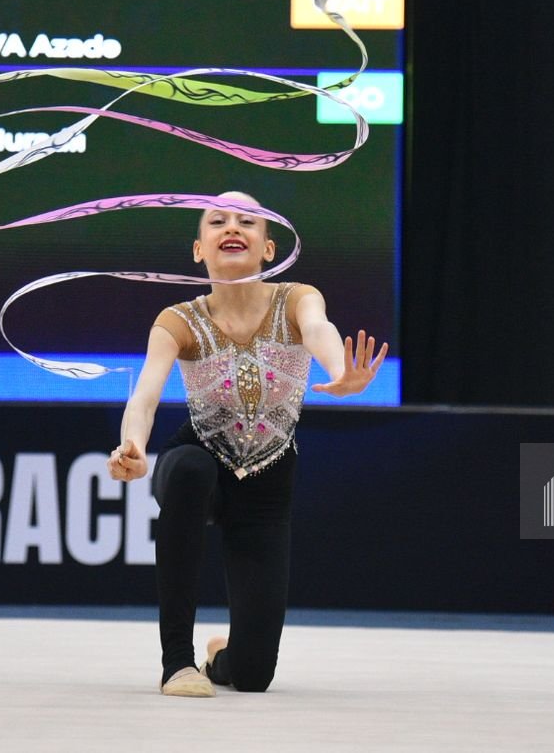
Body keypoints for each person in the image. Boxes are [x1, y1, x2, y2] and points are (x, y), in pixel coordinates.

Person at [107, 191, 387, 696]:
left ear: (269, 248)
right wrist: (131, 446)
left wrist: (342, 372)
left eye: (247, 222)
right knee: (191, 470)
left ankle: (221, 657)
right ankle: (177, 663)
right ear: (199, 249)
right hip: (195, 459)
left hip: (267, 482)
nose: (232, 227)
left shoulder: (298, 299)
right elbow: (146, 395)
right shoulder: (178, 320)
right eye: (217, 221)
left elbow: (321, 331)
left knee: (254, 676)